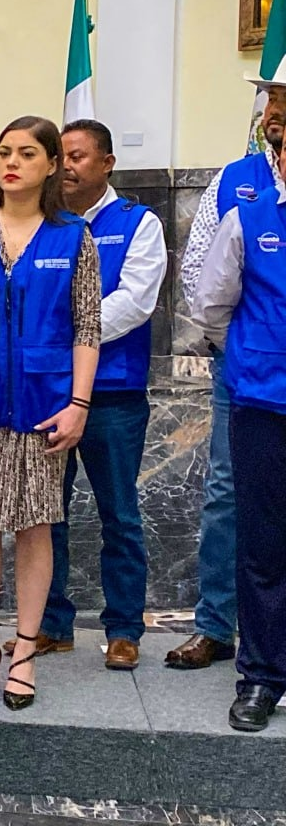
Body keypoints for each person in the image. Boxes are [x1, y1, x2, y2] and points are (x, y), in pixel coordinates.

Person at [0, 115, 100, 710]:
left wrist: (79, 404)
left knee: (36, 528)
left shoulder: (72, 236)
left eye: (27, 153)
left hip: (44, 405)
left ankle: (26, 649)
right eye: (4, 151)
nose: (12, 162)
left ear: (53, 164)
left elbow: (89, 326)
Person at [2, 120, 163, 670]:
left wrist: (71, 336)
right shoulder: (49, 228)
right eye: (61, 156)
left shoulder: (137, 224)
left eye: (79, 156)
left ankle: (123, 629)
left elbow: (135, 301)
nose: (67, 165)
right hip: (50, 394)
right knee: (47, 513)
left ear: (107, 163)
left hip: (113, 395)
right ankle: (51, 623)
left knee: (119, 513)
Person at [168, 79, 286, 670]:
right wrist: (237, 346)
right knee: (225, 492)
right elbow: (198, 272)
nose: (275, 118)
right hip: (246, 376)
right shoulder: (236, 180)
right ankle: (215, 624)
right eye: (273, 106)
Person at [191, 168, 286, 732]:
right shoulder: (247, 220)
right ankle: (262, 675)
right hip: (263, 404)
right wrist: (256, 357)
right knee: (263, 544)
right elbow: (211, 305)